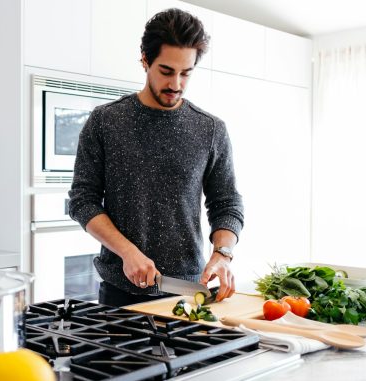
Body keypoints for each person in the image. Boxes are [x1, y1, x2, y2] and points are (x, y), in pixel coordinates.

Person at [68, 8, 244, 307]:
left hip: (189, 292)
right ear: (145, 60)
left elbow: (226, 202)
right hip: (119, 293)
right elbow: (82, 201)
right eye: (166, 71)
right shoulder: (105, 121)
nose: (176, 84)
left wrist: (222, 254)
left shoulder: (211, 129)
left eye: (186, 73)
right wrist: (127, 252)